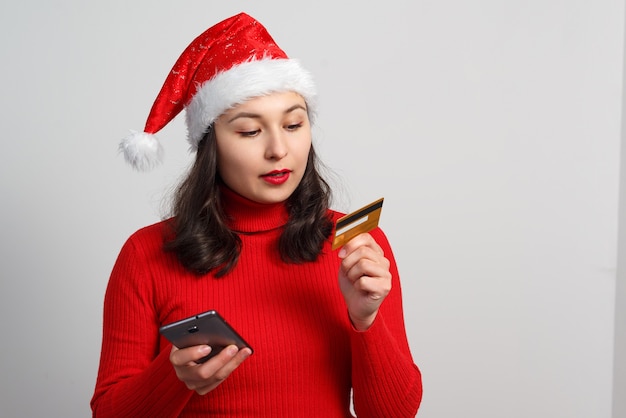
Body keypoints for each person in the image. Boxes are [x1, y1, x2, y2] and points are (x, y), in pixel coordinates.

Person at [91, 12, 422, 417]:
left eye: (294, 124)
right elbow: (108, 411)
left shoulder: (353, 243)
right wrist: (175, 378)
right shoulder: (146, 254)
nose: (278, 149)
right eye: (250, 131)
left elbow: (394, 414)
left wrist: (365, 319)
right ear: (210, 145)